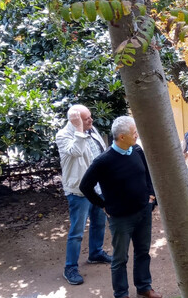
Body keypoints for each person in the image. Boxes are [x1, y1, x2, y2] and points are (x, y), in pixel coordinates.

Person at [79, 116, 162, 298]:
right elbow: (85, 186)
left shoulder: (137, 150)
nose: (137, 135)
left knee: (143, 252)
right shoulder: (103, 161)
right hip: (121, 218)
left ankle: (144, 287)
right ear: (122, 137)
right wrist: (103, 205)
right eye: (134, 133)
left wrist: (151, 196)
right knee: (120, 258)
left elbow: (147, 174)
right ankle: (121, 294)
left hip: (143, 212)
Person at [55, 104, 112, 286]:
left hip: (97, 188)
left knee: (99, 223)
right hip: (79, 191)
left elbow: (102, 152)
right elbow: (77, 151)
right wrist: (79, 128)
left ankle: (95, 253)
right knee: (77, 232)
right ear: (76, 121)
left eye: (90, 117)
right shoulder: (63, 135)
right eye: (87, 119)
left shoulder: (91, 130)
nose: (91, 120)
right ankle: (70, 267)